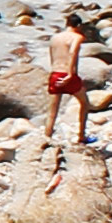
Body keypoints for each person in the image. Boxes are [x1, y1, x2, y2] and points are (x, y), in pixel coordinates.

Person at [44, 12, 98, 153]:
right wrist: (70, 73)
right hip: (68, 74)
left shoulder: (54, 38)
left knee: (52, 111)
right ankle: (81, 135)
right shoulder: (77, 37)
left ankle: (46, 138)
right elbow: (72, 53)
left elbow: (52, 55)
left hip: (55, 73)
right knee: (84, 103)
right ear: (78, 25)